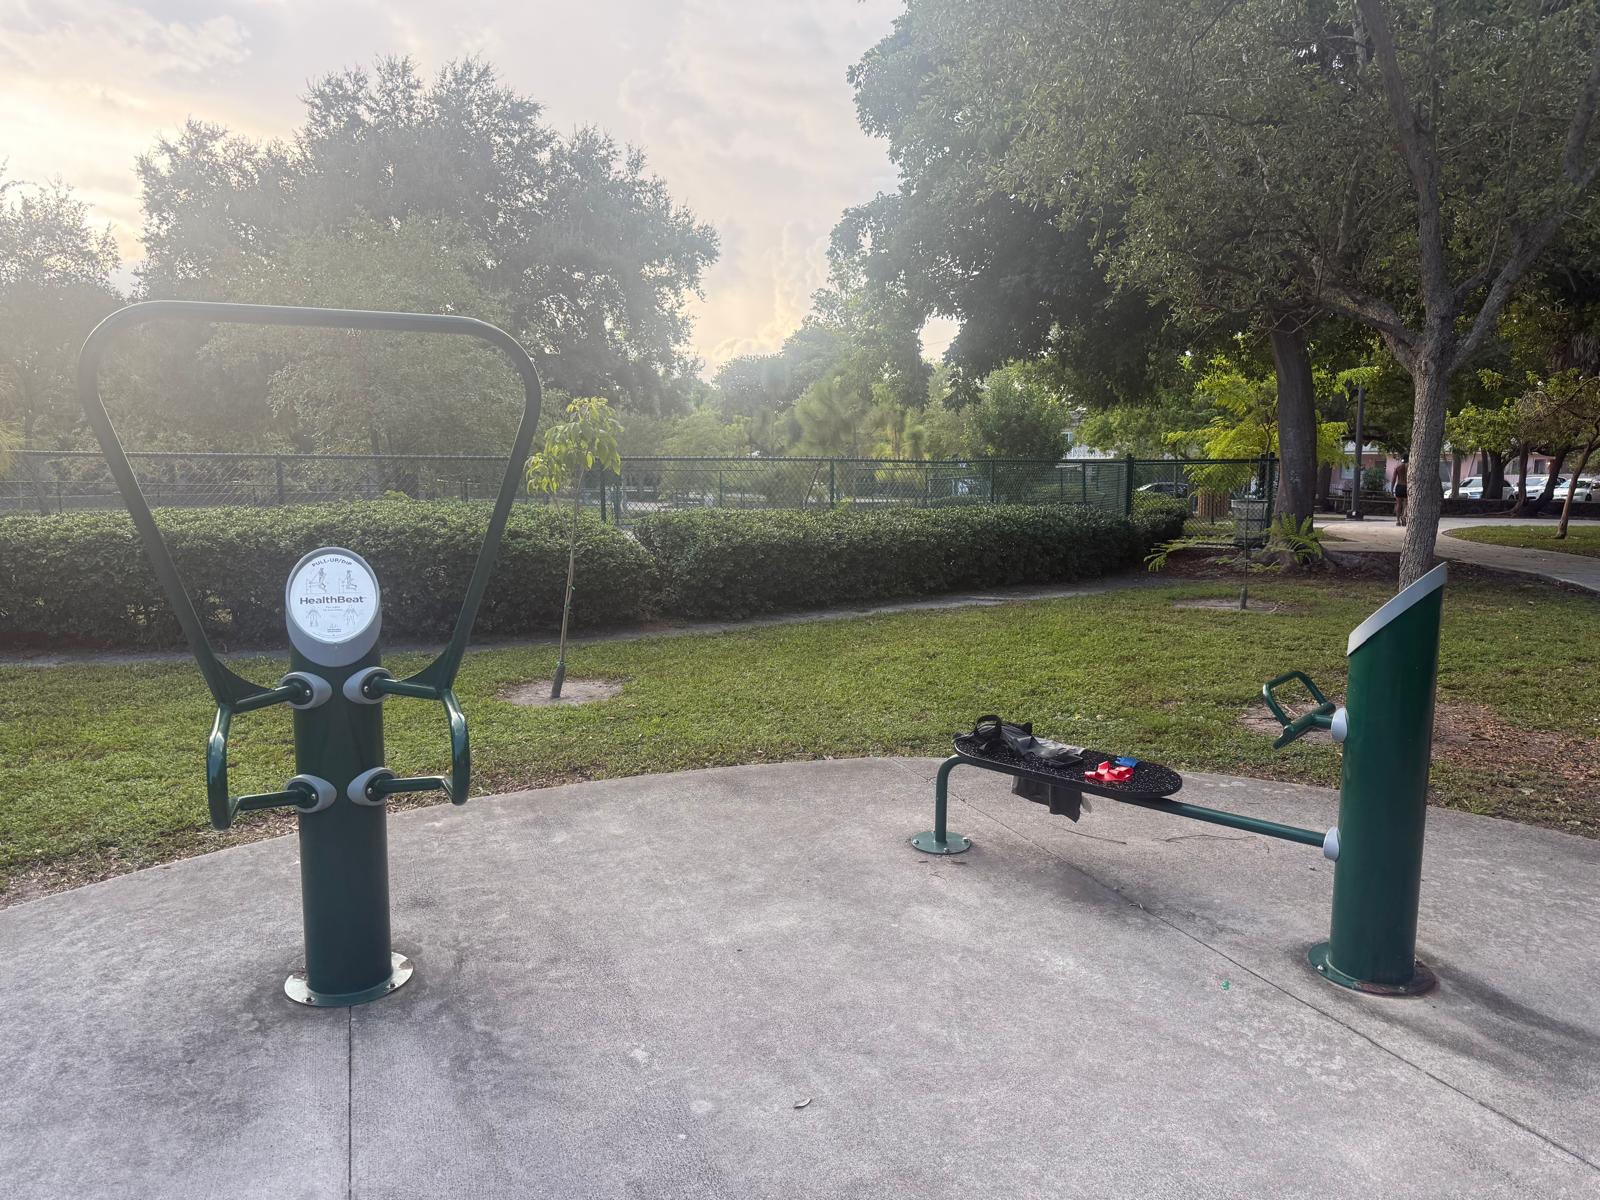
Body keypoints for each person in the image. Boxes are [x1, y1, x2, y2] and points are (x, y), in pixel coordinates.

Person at [1393, 455, 1409, 526]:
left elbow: (1393, 478)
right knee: (1406, 504)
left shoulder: (1398, 467)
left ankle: (1397, 521)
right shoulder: (1410, 467)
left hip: (1399, 486)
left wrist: (1392, 488)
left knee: (1398, 504)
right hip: (1407, 486)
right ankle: (1404, 516)